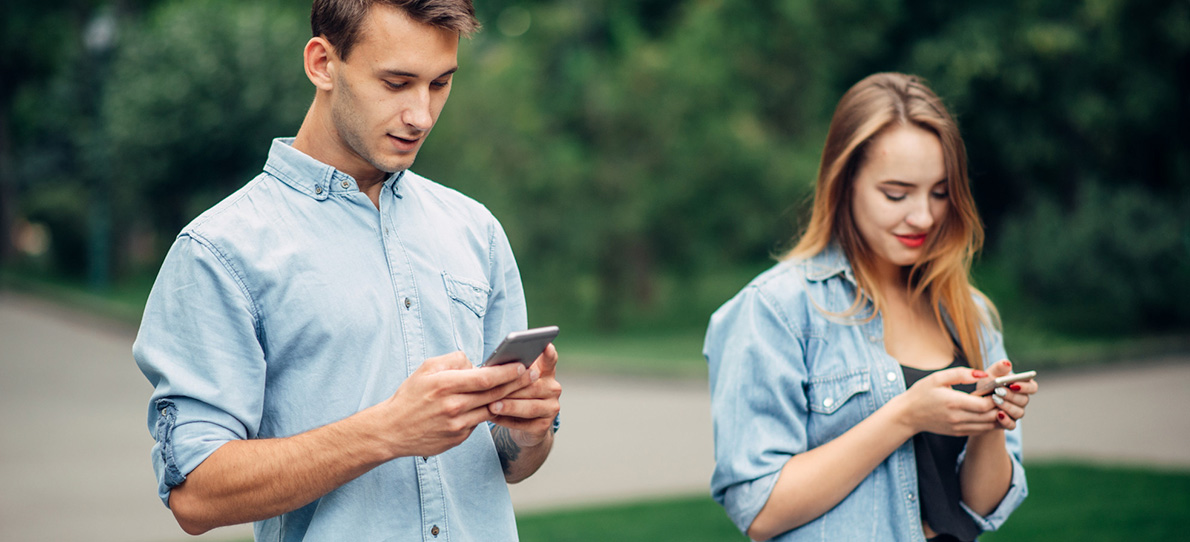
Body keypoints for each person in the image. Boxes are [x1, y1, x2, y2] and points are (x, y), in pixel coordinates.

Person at [132, 1, 561, 540]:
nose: (422, 115)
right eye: (397, 83)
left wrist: (529, 431)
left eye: (440, 84)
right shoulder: (220, 250)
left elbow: (506, 464)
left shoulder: (475, 228)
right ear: (322, 64)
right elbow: (196, 495)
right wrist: (388, 431)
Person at [703, 72, 1037, 542]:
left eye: (940, 192)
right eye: (896, 194)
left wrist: (990, 422)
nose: (923, 216)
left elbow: (981, 507)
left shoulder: (967, 311)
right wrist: (907, 415)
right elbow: (759, 510)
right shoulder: (776, 309)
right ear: (845, 184)